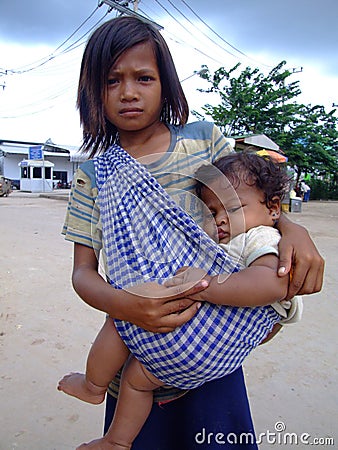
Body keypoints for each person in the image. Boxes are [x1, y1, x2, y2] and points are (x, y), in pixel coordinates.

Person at [60, 15, 324, 450]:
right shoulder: (94, 176)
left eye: (143, 77)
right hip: (137, 353)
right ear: (92, 91)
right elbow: (83, 274)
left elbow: (249, 204)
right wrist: (129, 307)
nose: (128, 92)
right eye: (111, 81)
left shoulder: (200, 143)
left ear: (165, 83)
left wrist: (293, 229)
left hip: (213, 351)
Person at [58, 151, 303, 449]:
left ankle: (93, 386)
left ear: (274, 208)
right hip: (208, 355)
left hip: (201, 336)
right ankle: (117, 441)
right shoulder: (225, 240)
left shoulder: (260, 238)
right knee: (136, 380)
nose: (221, 219)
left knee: (122, 322)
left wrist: (206, 286)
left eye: (234, 208)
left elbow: (272, 284)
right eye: (212, 212)